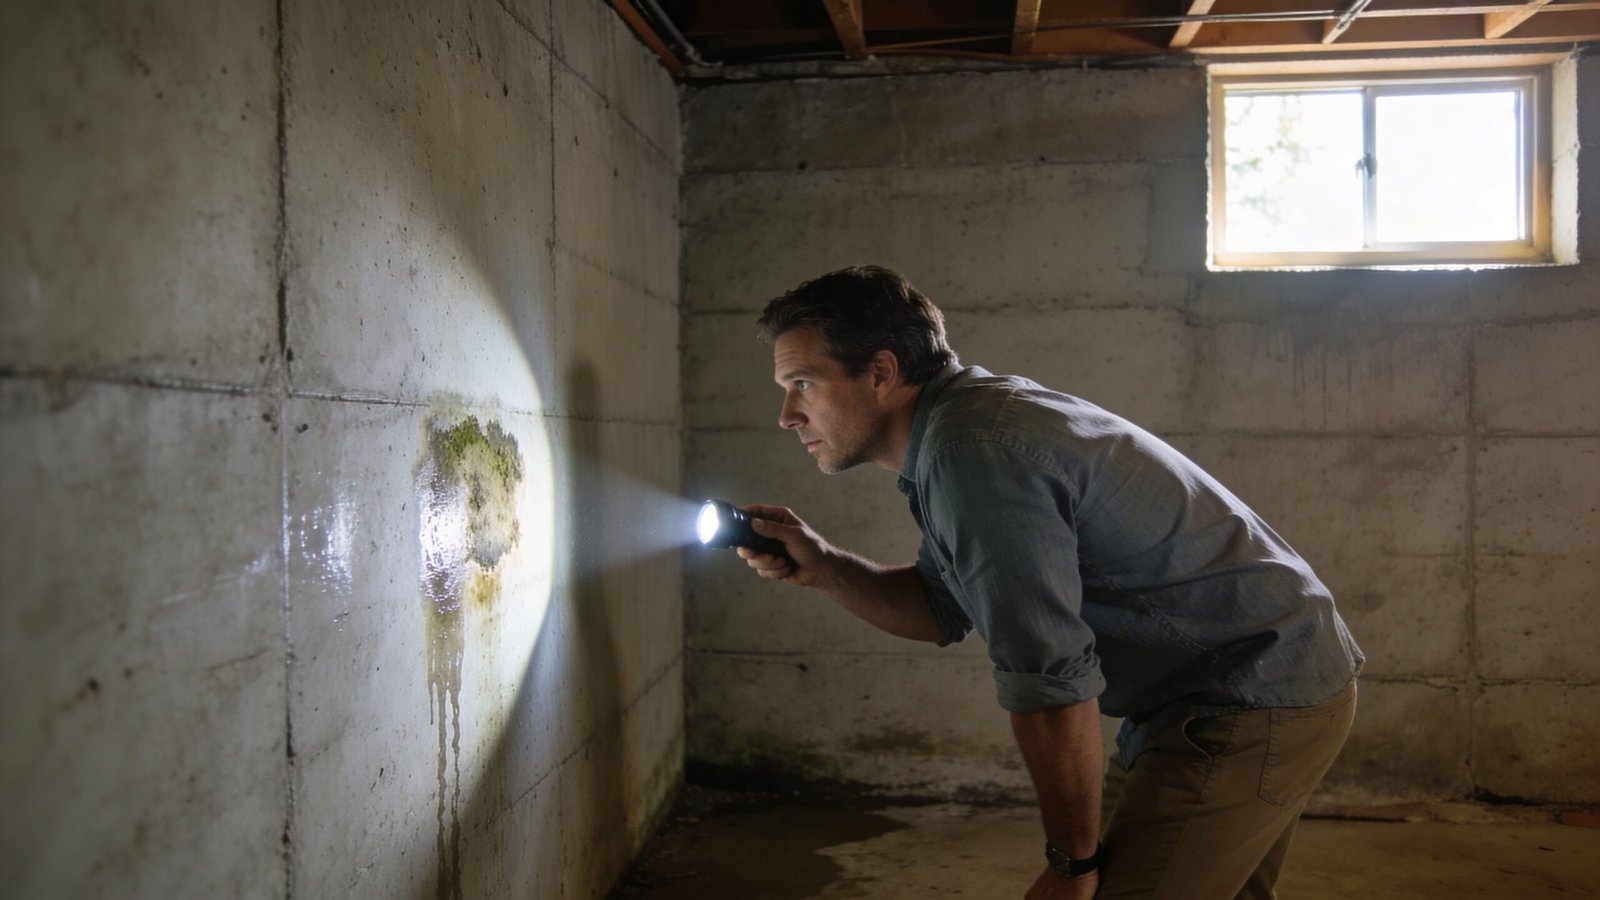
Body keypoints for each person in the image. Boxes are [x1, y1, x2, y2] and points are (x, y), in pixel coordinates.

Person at [733, 265, 1364, 899]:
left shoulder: (973, 453)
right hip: (1230, 680)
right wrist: (824, 566)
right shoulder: (963, 427)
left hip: (1250, 690)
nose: (788, 415)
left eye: (803, 384)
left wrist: (1072, 868)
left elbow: (1052, 686)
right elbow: (939, 608)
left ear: (880, 373)